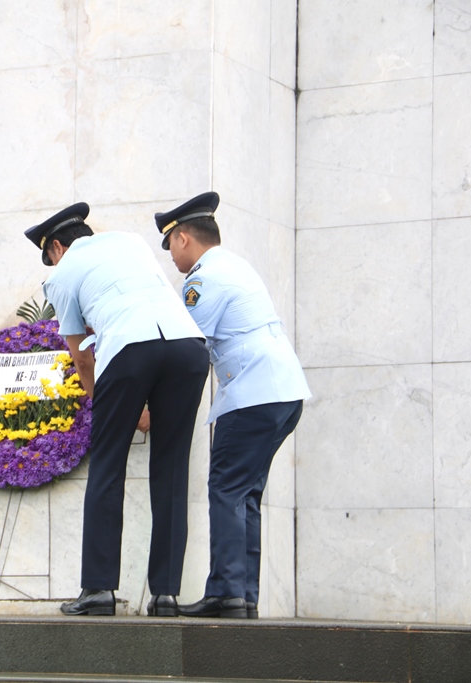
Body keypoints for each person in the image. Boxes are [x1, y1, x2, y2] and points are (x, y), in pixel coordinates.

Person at [24, 202, 210, 617]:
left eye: (50, 255)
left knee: (107, 467)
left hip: (128, 352)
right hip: (188, 348)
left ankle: (99, 590)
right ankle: (165, 595)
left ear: (56, 247)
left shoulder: (62, 275)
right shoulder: (131, 242)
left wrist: (108, 403)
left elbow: (81, 358)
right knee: (171, 470)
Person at [155, 191, 311, 619]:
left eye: (169, 244)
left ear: (183, 238)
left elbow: (188, 347)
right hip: (282, 392)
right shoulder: (235, 265)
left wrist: (157, 405)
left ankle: (226, 592)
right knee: (245, 494)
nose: (169, 254)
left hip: (254, 395)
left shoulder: (203, 279)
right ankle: (243, 595)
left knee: (226, 488)